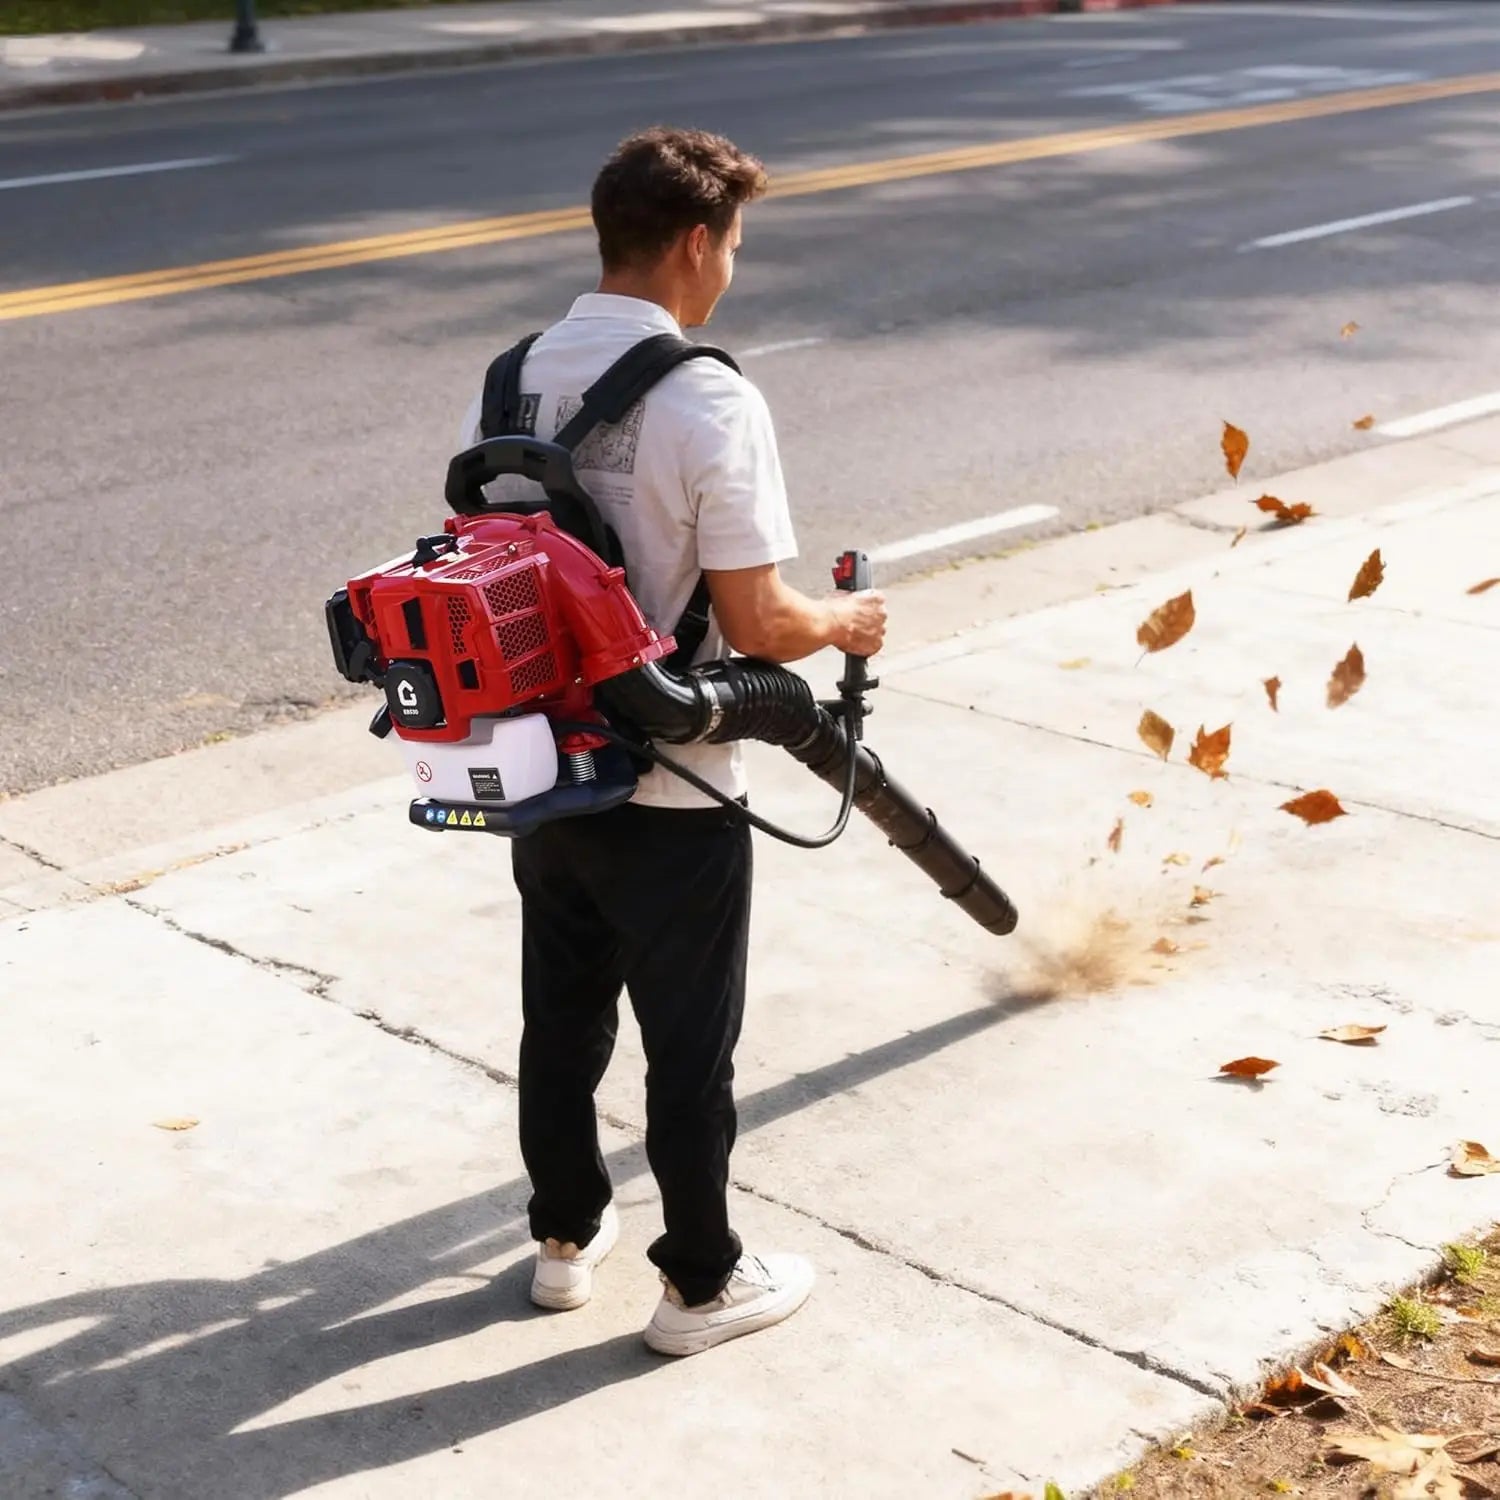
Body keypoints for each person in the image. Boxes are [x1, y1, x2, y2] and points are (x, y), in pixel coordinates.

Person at [457, 126, 887, 1357]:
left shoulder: (510, 376)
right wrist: (846, 618)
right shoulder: (708, 395)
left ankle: (560, 1239)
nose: (735, 266)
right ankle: (702, 1283)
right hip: (678, 776)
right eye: (736, 243)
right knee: (688, 1053)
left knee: (563, 1015)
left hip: (543, 767)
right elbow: (758, 619)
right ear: (699, 243)